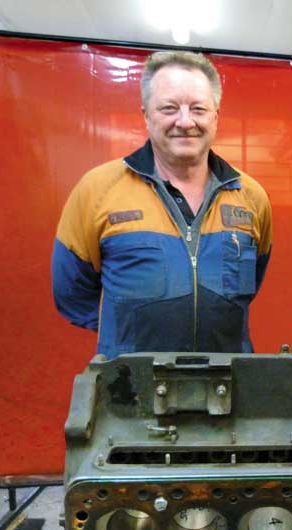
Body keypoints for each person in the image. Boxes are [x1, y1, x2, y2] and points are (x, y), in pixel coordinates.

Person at [52, 51, 272, 358]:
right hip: (130, 388)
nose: (185, 121)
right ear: (145, 114)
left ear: (216, 115)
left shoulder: (251, 197)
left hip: (228, 385)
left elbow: (250, 284)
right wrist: (127, 335)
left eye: (198, 108)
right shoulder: (97, 190)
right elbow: (71, 292)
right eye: (169, 108)